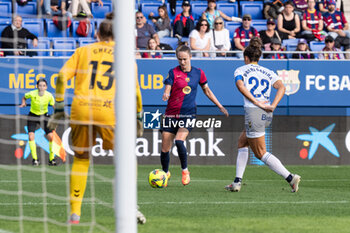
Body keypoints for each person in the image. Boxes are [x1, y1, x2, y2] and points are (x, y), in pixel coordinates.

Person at [47, 19, 146, 224]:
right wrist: (138, 115)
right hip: (108, 111)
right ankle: (130, 206)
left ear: (97, 35)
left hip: (81, 110)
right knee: (125, 157)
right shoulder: (125, 56)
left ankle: (75, 213)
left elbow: (60, 78)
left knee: (82, 159)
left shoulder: (83, 51)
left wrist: (58, 108)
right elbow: (135, 91)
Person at [225, 37, 301, 193]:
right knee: (242, 142)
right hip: (265, 113)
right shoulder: (268, 72)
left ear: (246, 57)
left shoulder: (240, 70)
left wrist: (256, 102)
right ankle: (237, 182)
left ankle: (290, 177)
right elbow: (282, 88)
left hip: (255, 112)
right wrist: (273, 105)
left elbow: (240, 85)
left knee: (260, 153)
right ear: (258, 58)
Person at [160, 45, 229, 186]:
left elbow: (207, 91)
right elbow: (168, 86)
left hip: (188, 114)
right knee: (165, 148)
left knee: (179, 141)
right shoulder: (173, 72)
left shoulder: (198, 73)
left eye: (185, 59)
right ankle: (165, 173)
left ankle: (185, 171)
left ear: (190, 57)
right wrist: (166, 93)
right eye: (179, 59)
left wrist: (220, 105)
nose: (182, 62)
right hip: (171, 114)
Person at [19, 79, 56, 166]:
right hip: (33, 116)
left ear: (46, 87)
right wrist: (23, 103)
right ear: (37, 86)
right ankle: (35, 160)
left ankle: (52, 159)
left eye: (43, 85)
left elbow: (54, 105)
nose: (42, 87)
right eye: (40, 85)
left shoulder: (49, 95)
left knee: (51, 137)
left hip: (44, 116)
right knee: (31, 137)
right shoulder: (32, 93)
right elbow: (24, 97)